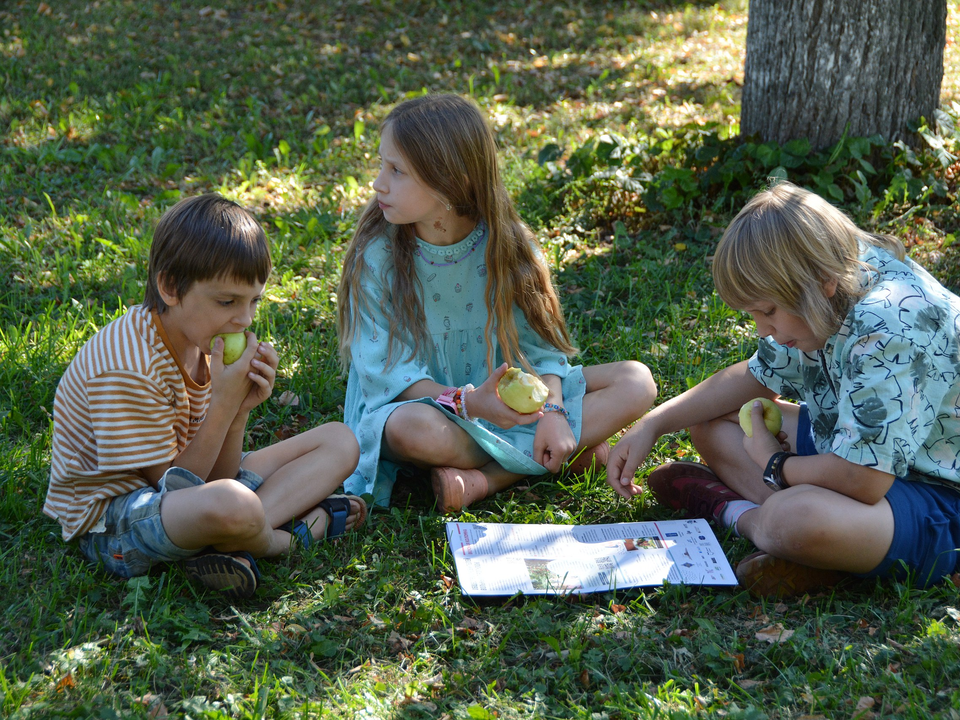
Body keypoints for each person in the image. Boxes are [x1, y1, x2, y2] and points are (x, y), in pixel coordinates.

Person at [606, 181, 960, 598]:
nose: (762, 330)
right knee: (711, 421)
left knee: (797, 519)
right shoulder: (833, 282)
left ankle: (740, 515)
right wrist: (655, 423)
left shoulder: (891, 325)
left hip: (939, 493)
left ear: (822, 282)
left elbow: (863, 479)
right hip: (862, 451)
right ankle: (820, 552)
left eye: (768, 311)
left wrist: (775, 464)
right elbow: (754, 377)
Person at [337, 93, 656, 511]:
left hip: (509, 399)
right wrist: (471, 404)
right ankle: (563, 452)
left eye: (397, 170)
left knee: (637, 381)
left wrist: (556, 411)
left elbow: (539, 350)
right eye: (383, 165)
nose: (379, 182)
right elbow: (392, 380)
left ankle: (487, 480)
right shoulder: (377, 257)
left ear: (450, 181)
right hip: (430, 408)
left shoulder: (507, 246)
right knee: (411, 430)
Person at [44, 194, 365, 599]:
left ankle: (232, 537)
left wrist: (238, 411)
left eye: (253, 302)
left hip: (190, 490)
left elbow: (216, 477)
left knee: (340, 440)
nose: (244, 319)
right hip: (113, 522)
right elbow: (175, 490)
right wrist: (224, 405)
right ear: (170, 287)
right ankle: (282, 540)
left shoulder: (197, 340)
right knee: (232, 504)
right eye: (227, 301)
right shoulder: (129, 367)